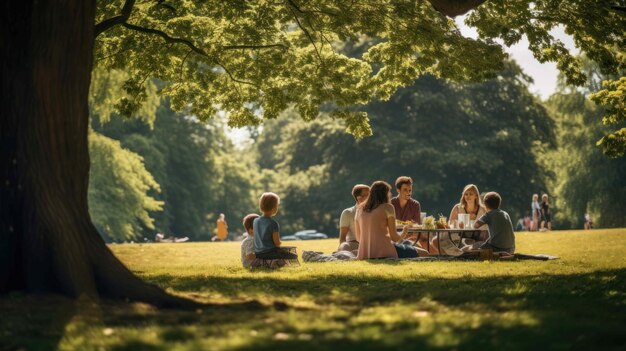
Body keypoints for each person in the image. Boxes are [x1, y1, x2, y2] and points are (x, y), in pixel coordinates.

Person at [355, 181, 429, 259]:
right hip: (386, 250)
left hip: (365, 253)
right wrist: (404, 232)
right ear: (384, 194)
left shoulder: (359, 209)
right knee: (425, 253)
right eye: (389, 192)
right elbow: (394, 238)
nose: (390, 195)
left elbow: (358, 238)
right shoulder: (388, 208)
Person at [253, 192, 298, 260]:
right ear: (273, 208)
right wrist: (280, 243)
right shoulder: (273, 223)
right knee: (294, 256)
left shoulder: (255, 221)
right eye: (277, 205)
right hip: (270, 253)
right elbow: (277, 243)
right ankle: (274, 263)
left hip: (258, 253)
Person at [338, 184, 370, 252]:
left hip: (371, 244)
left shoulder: (375, 211)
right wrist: (344, 249)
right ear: (359, 197)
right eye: (367, 195)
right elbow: (342, 238)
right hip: (355, 244)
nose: (370, 197)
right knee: (344, 246)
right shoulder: (348, 213)